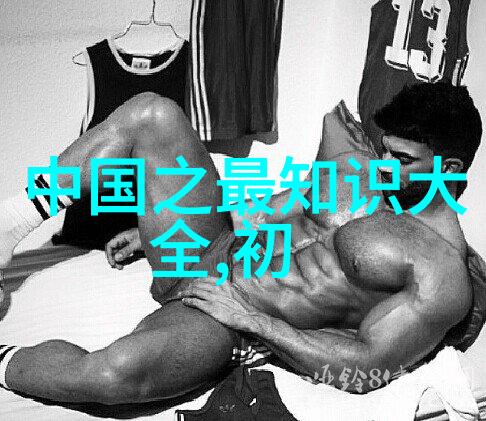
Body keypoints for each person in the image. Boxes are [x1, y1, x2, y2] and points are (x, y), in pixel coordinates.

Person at [0, 82, 482, 404]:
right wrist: (158, 229)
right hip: (208, 247)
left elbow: (366, 369)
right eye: (384, 150)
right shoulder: (361, 169)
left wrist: (252, 322)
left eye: (403, 160)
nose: (384, 167)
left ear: (450, 169)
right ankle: (10, 225)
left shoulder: (440, 275)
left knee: (114, 374)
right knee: (152, 113)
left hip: (225, 317)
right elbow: (269, 209)